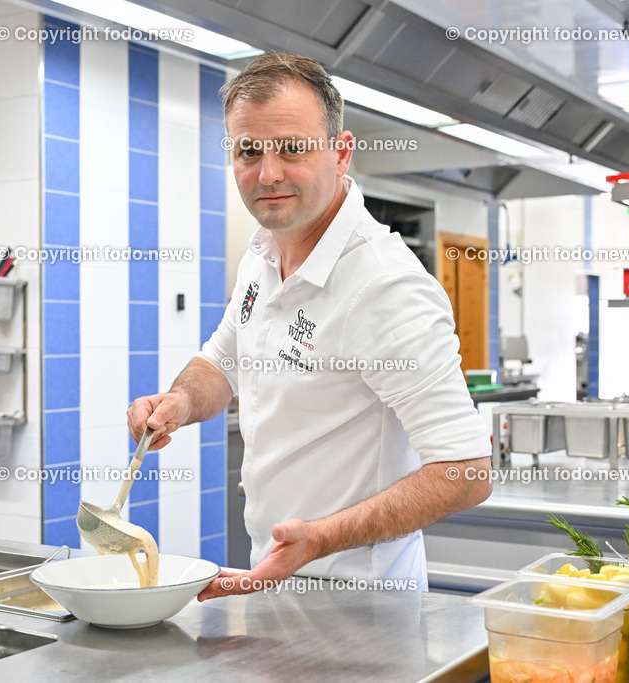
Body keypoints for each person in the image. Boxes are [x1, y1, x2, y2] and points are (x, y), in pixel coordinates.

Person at [126, 52, 493, 600]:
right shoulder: (262, 253)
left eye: (292, 149)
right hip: (274, 583)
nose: (267, 173)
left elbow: (467, 470)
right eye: (249, 151)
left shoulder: (382, 283)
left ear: (341, 154)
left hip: (362, 601)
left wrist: (321, 538)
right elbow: (222, 360)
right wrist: (180, 401)